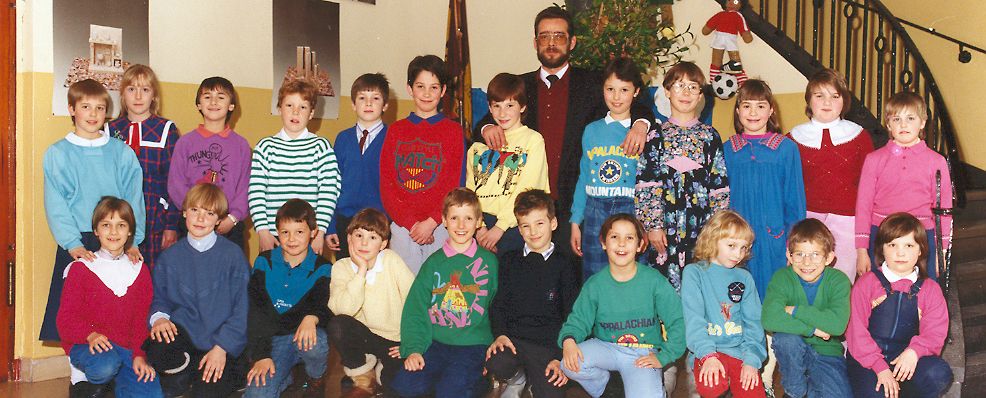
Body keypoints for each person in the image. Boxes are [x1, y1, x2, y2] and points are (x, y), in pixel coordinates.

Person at [475, 6, 652, 259]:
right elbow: (482, 121)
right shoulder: (519, 85)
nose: (551, 42)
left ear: (572, 42)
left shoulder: (593, 84)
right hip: (528, 210)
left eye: (559, 36)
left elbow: (638, 104)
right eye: (544, 36)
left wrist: (640, 125)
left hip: (574, 208)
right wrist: (488, 127)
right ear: (535, 43)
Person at [41, 79, 145, 341]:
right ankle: (81, 375)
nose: (93, 114)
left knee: (114, 308)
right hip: (79, 241)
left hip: (115, 239)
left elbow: (134, 199)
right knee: (75, 312)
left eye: (100, 108)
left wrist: (134, 240)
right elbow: (56, 204)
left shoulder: (121, 153)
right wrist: (71, 243)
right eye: (86, 106)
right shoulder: (58, 153)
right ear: (72, 109)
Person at [559, 213, 684, 398]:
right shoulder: (595, 284)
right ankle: (607, 385)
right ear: (603, 242)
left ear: (640, 245)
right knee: (569, 364)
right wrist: (568, 340)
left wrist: (664, 356)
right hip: (606, 347)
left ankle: (658, 379)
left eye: (629, 238)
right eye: (614, 237)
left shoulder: (654, 281)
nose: (622, 243)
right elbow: (578, 319)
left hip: (642, 353)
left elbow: (678, 321)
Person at [389, 188, 498, 398]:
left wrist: (490, 349)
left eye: (468, 218)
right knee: (405, 385)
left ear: (478, 222)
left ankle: (479, 382)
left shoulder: (490, 262)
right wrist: (413, 349)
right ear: (444, 221)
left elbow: (497, 305)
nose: (461, 225)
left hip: (472, 344)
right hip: (436, 342)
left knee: (450, 391)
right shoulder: (433, 263)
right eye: (454, 218)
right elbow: (416, 308)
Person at [144, 183, 250, 397]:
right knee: (157, 345)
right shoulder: (170, 257)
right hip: (187, 337)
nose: (200, 219)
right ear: (184, 212)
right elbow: (160, 298)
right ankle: (184, 374)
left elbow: (243, 309)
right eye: (195, 210)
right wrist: (160, 318)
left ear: (219, 219)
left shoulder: (232, 255)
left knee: (206, 393)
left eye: (209, 213)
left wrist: (222, 349)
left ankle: (226, 372)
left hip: (222, 342)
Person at [636, 61, 730, 292]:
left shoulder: (710, 136)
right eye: (679, 86)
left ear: (700, 96)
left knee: (700, 289)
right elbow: (646, 184)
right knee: (663, 289)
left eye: (693, 87)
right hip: (664, 232)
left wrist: (715, 230)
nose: (686, 92)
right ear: (667, 92)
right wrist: (653, 225)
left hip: (701, 229)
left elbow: (719, 186)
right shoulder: (655, 135)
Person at [57, 197, 160, 398]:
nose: (113, 232)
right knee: (105, 365)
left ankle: (115, 384)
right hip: (89, 345)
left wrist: (140, 355)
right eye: (106, 225)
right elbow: (65, 319)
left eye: (121, 225)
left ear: (130, 231)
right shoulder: (81, 268)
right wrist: (90, 335)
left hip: (125, 350)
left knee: (152, 392)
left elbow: (140, 321)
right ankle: (82, 380)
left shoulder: (140, 270)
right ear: (96, 230)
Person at [846, 213, 953, 397]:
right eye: (892, 245)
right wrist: (880, 367)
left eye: (909, 245)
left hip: (905, 358)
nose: (900, 253)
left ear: (920, 250)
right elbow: (856, 332)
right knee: (875, 394)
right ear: (882, 249)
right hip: (868, 361)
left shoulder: (930, 289)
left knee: (938, 374)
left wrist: (914, 352)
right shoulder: (867, 283)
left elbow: (935, 333)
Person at [486, 189, 578, 398]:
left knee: (553, 392)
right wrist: (500, 334)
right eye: (525, 226)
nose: (533, 231)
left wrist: (559, 357)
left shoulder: (565, 264)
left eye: (539, 223)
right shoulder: (509, 260)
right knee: (497, 361)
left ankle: (535, 381)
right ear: (519, 229)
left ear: (553, 224)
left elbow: (571, 313)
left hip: (547, 346)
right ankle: (516, 377)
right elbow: (499, 304)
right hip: (515, 342)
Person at [379, 55, 465, 273]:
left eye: (434, 87)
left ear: (443, 91)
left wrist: (432, 221)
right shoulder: (395, 131)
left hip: (440, 226)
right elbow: (387, 184)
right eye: (420, 86)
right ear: (410, 89)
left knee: (438, 290)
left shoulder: (453, 131)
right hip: (402, 227)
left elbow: (455, 183)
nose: (427, 94)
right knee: (404, 292)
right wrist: (409, 223)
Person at [855, 92, 952, 281]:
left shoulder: (937, 161)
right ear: (888, 124)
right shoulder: (874, 160)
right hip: (882, 235)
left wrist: (942, 253)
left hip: (922, 237)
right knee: (880, 292)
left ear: (922, 122)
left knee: (922, 295)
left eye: (910, 118)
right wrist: (861, 251)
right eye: (897, 119)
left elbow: (944, 210)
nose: (903, 124)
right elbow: (863, 206)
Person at [723, 79, 806, 299]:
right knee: (737, 295)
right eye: (747, 105)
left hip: (775, 239)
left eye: (760, 106)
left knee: (774, 295)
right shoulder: (728, 149)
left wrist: (792, 243)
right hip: (736, 239)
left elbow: (795, 201)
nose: (753, 112)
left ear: (771, 110)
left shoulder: (786, 148)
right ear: (738, 110)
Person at [789, 68, 874, 282]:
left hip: (848, 221)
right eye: (819, 96)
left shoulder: (859, 137)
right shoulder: (792, 138)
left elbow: (870, 187)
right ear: (809, 100)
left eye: (834, 96)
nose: (827, 102)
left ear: (844, 101)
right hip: (807, 220)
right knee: (807, 280)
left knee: (841, 283)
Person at [245, 199, 332, 398]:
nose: (292, 239)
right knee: (257, 394)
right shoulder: (263, 262)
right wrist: (262, 356)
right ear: (277, 232)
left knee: (316, 343)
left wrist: (312, 317)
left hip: (305, 337)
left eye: (299, 232)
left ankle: (314, 378)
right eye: (285, 232)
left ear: (313, 232)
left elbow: (324, 304)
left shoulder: (323, 267)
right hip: (273, 341)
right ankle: (286, 375)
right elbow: (256, 312)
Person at [570, 57, 646, 279]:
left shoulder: (642, 132)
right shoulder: (591, 131)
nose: (616, 96)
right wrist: (576, 221)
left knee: (632, 274)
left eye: (624, 90)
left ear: (636, 92)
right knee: (595, 276)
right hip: (595, 210)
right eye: (610, 89)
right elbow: (584, 176)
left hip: (631, 209)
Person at [328, 208, 415, 397]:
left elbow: (415, 299)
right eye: (358, 235)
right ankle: (363, 376)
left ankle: (381, 370)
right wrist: (360, 271)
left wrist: (410, 341)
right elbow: (342, 310)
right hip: (364, 336)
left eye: (372, 238)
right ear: (349, 237)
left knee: (397, 387)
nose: (364, 243)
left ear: (383, 244)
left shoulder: (391, 260)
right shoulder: (341, 267)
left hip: (394, 339)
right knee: (338, 325)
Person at [761, 218, 852, 398]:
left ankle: (811, 388)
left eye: (815, 254)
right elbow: (769, 318)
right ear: (789, 255)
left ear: (829, 258)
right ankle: (795, 392)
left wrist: (795, 310)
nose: (807, 262)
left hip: (828, 352)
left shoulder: (839, 281)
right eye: (800, 254)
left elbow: (837, 325)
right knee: (787, 339)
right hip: (794, 350)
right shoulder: (782, 278)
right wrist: (812, 330)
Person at [249, 79, 340, 256]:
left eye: (303, 107)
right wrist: (262, 231)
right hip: (274, 237)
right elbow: (256, 192)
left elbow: (329, 192)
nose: (295, 112)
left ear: (312, 113)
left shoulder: (321, 147)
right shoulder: (265, 147)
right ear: (279, 109)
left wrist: (320, 232)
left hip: (309, 238)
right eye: (289, 105)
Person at [681, 210, 767, 398]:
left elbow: (754, 323)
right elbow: (694, 320)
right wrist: (708, 355)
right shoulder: (694, 273)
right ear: (712, 239)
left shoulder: (744, 277)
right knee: (712, 387)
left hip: (740, 352)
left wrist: (752, 361)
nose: (738, 254)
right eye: (731, 245)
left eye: (744, 248)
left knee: (754, 394)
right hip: (708, 350)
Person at [106, 64, 181, 268]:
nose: (138, 96)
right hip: (118, 221)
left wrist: (171, 225)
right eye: (132, 89)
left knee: (153, 281)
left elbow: (174, 181)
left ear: (153, 96)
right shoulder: (110, 130)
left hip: (155, 221)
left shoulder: (166, 129)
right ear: (122, 95)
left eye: (145, 90)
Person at [467, 73, 549, 254]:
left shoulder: (533, 140)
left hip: (514, 224)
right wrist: (479, 227)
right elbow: (470, 189)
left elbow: (528, 187)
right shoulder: (478, 147)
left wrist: (500, 227)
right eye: (497, 106)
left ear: (523, 106)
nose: (502, 113)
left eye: (510, 105)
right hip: (479, 225)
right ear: (489, 107)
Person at [168, 76, 252, 248]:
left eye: (220, 97)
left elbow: (246, 187)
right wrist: (196, 214)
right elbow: (176, 184)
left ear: (231, 105)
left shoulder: (241, 145)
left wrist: (233, 217)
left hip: (228, 225)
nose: (213, 101)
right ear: (199, 104)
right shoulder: (185, 142)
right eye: (207, 97)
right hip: (192, 224)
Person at [327, 73, 392, 258]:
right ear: (353, 104)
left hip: (379, 223)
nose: (369, 103)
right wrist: (330, 226)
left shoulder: (393, 138)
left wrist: (388, 221)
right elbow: (332, 184)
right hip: (345, 222)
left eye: (376, 98)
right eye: (362, 98)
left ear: (385, 104)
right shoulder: (343, 138)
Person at [702, 0, 753, 83]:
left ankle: (742, 82)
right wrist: (707, 29)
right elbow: (707, 29)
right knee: (716, 61)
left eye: (735, 1)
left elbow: (744, 30)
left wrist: (746, 35)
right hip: (718, 38)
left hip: (730, 39)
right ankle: (714, 80)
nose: (731, 3)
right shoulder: (720, 15)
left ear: (741, 4)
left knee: (736, 61)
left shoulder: (738, 16)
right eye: (728, 0)